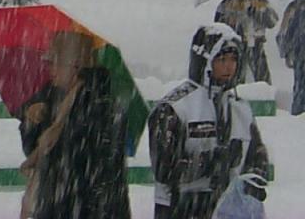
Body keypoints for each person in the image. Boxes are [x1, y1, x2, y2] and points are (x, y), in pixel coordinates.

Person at [149, 23, 270, 219]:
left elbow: (258, 154)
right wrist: (211, 161)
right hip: (181, 208)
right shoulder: (174, 107)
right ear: (204, 61)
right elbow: (164, 169)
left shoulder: (240, 109)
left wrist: (253, 180)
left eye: (233, 59)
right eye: (221, 59)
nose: (229, 66)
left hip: (229, 208)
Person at [17, 30, 131, 219]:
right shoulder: (51, 99)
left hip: (88, 210)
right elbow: (33, 150)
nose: (50, 69)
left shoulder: (101, 102)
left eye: (55, 62)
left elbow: (96, 167)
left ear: (75, 65)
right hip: (56, 206)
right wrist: (31, 121)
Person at [214, 0, 278, 83]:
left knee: (262, 79)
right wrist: (229, 23)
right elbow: (217, 26)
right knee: (238, 78)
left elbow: (272, 21)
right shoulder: (227, 3)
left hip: (257, 46)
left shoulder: (261, 2)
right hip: (236, 47)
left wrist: (255, 12)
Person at [276, 0, 305, 115]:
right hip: (301, 57)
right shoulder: (294, 8)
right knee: (300, 93)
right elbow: (283, 33)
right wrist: (288, 51)